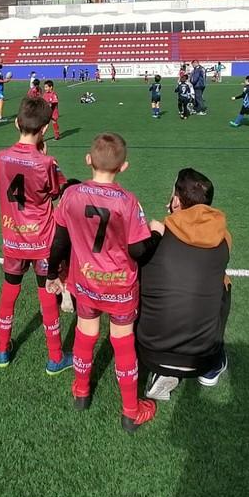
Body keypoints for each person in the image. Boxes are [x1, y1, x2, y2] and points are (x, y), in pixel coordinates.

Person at [45, 132, 161, 433]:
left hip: (85, 284)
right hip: (120, 286)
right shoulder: (127, 201)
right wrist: (156, 234)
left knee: (87, 334)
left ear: (88, 160)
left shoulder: (70, 195)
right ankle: (130, 412)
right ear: (124, 167)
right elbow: (138, 251)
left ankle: (81, 392)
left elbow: (58, 241)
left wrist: (50, 275)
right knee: (122, 342)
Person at [0, 97, 73, 376]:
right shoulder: (47, 162)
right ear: (46, 128)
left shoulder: (2, 157)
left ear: (16, 123)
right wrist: (43, 155)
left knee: (9, 291)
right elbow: (56, 191)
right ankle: (55, 357)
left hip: (12, 238)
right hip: (42, 241)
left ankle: (2, 350)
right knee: (47, 294)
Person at [139, 168, 232, 402]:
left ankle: (162, 369)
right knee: (223, 284)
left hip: (149, 350)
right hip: (202, 357)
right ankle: (211, 368)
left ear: (177, 201)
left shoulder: (156, 234)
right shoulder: (223, 238)